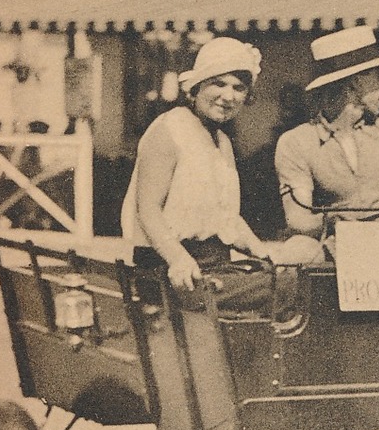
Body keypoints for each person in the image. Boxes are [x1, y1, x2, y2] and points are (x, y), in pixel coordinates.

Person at [122, 37, 323, 291]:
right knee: (292, 290)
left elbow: (226, 218)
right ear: (195, 88)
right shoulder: (169, 129)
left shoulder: (222, 141)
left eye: (238, 88)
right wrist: (179, 259)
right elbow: (148, 209)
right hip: (171, 271)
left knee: (296, 276)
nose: (228, 96)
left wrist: (265, 254)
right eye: (218, 84)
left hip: (215, 266)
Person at [275, 26, 379, 244]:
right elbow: (298, 219)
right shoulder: (297, 142)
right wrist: (333, 221)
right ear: (355, 81)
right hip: (335, 245)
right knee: (297, 250)